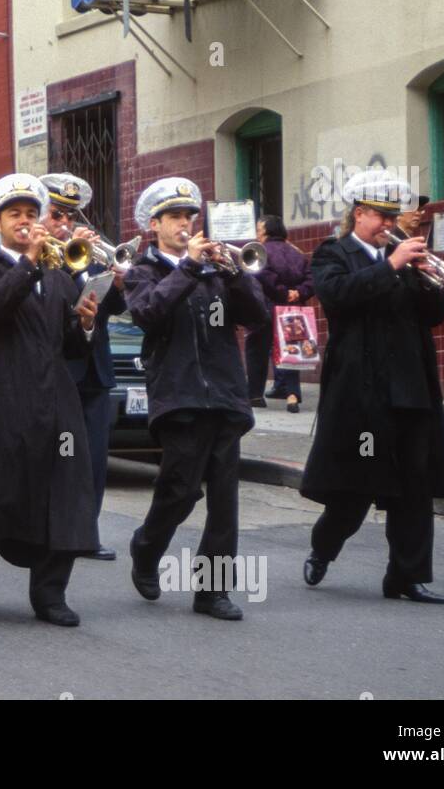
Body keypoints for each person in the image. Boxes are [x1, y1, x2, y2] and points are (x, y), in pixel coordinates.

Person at [0, 174, 100, 627]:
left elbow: (71, 344)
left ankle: (50, 594)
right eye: (16, 216)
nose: (27, 222)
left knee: (66, 491)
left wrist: (87, 323)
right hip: (3, 396)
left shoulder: (59, 272)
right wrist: (27, 263)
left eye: (33, 214)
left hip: (56, 399)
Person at [300, 171, 444, 604]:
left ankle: (406, 577)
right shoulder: (333, 254)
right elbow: (337, 297)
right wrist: (390, 266)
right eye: (382, 216)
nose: (390, 224)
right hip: (362, 394)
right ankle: (324, 547)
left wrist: (426, 278)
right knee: (356, 486)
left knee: (415, 487)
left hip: (409, 389)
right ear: (359, 214)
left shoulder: (404, 257)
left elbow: (436, 314)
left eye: (394, 215)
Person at [122, 177, 268, 620]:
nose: (185, 224)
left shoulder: (216, 269)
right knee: (180, 492)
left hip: (224, 395)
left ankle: (212, 591)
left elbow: (257, 315)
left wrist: (234, 274)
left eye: (189, 216)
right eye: (175, 217)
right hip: (179, 396)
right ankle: (147, 547)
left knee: (224, 500)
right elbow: (148, 314)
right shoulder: (142, 272)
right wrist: (186, 267)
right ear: (155, 224)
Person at [39, 172, 124, 562]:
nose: (64, 224)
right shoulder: (42, 258)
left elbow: (115, 309)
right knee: (62, 455)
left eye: (70, 217)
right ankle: (52, 529)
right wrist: (76, 264)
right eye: (56, 215)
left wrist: (117, 281)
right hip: (59, 370)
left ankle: (87, 531)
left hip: (95, 370)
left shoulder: (85, 257)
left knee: (93, 457)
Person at [245, 214, 313, 413]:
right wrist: (298, 293)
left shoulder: (261, 251)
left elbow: (264, 276)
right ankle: (292, 396)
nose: (257, 232)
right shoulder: (297, 252)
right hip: (293, 309)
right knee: (292, 348)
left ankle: (256, 395)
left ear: (267, 231)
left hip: (265, 307)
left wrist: (282, 293)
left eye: (259, 228)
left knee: (256, 349)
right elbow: (311, 278)